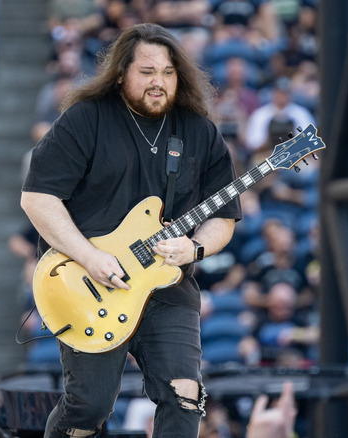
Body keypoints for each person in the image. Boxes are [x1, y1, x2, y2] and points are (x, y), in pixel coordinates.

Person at [20, 23, 242, 438]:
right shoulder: (86, 120)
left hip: (167, 287)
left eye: (168, 72)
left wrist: (193, 249)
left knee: (185, 396)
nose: (159, 82)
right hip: (90, 280)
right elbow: (37, 199)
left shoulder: (199, 131)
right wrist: (90, 256)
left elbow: (223, 217)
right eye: (147, 71)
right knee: (89, 405)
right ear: (121, 73)